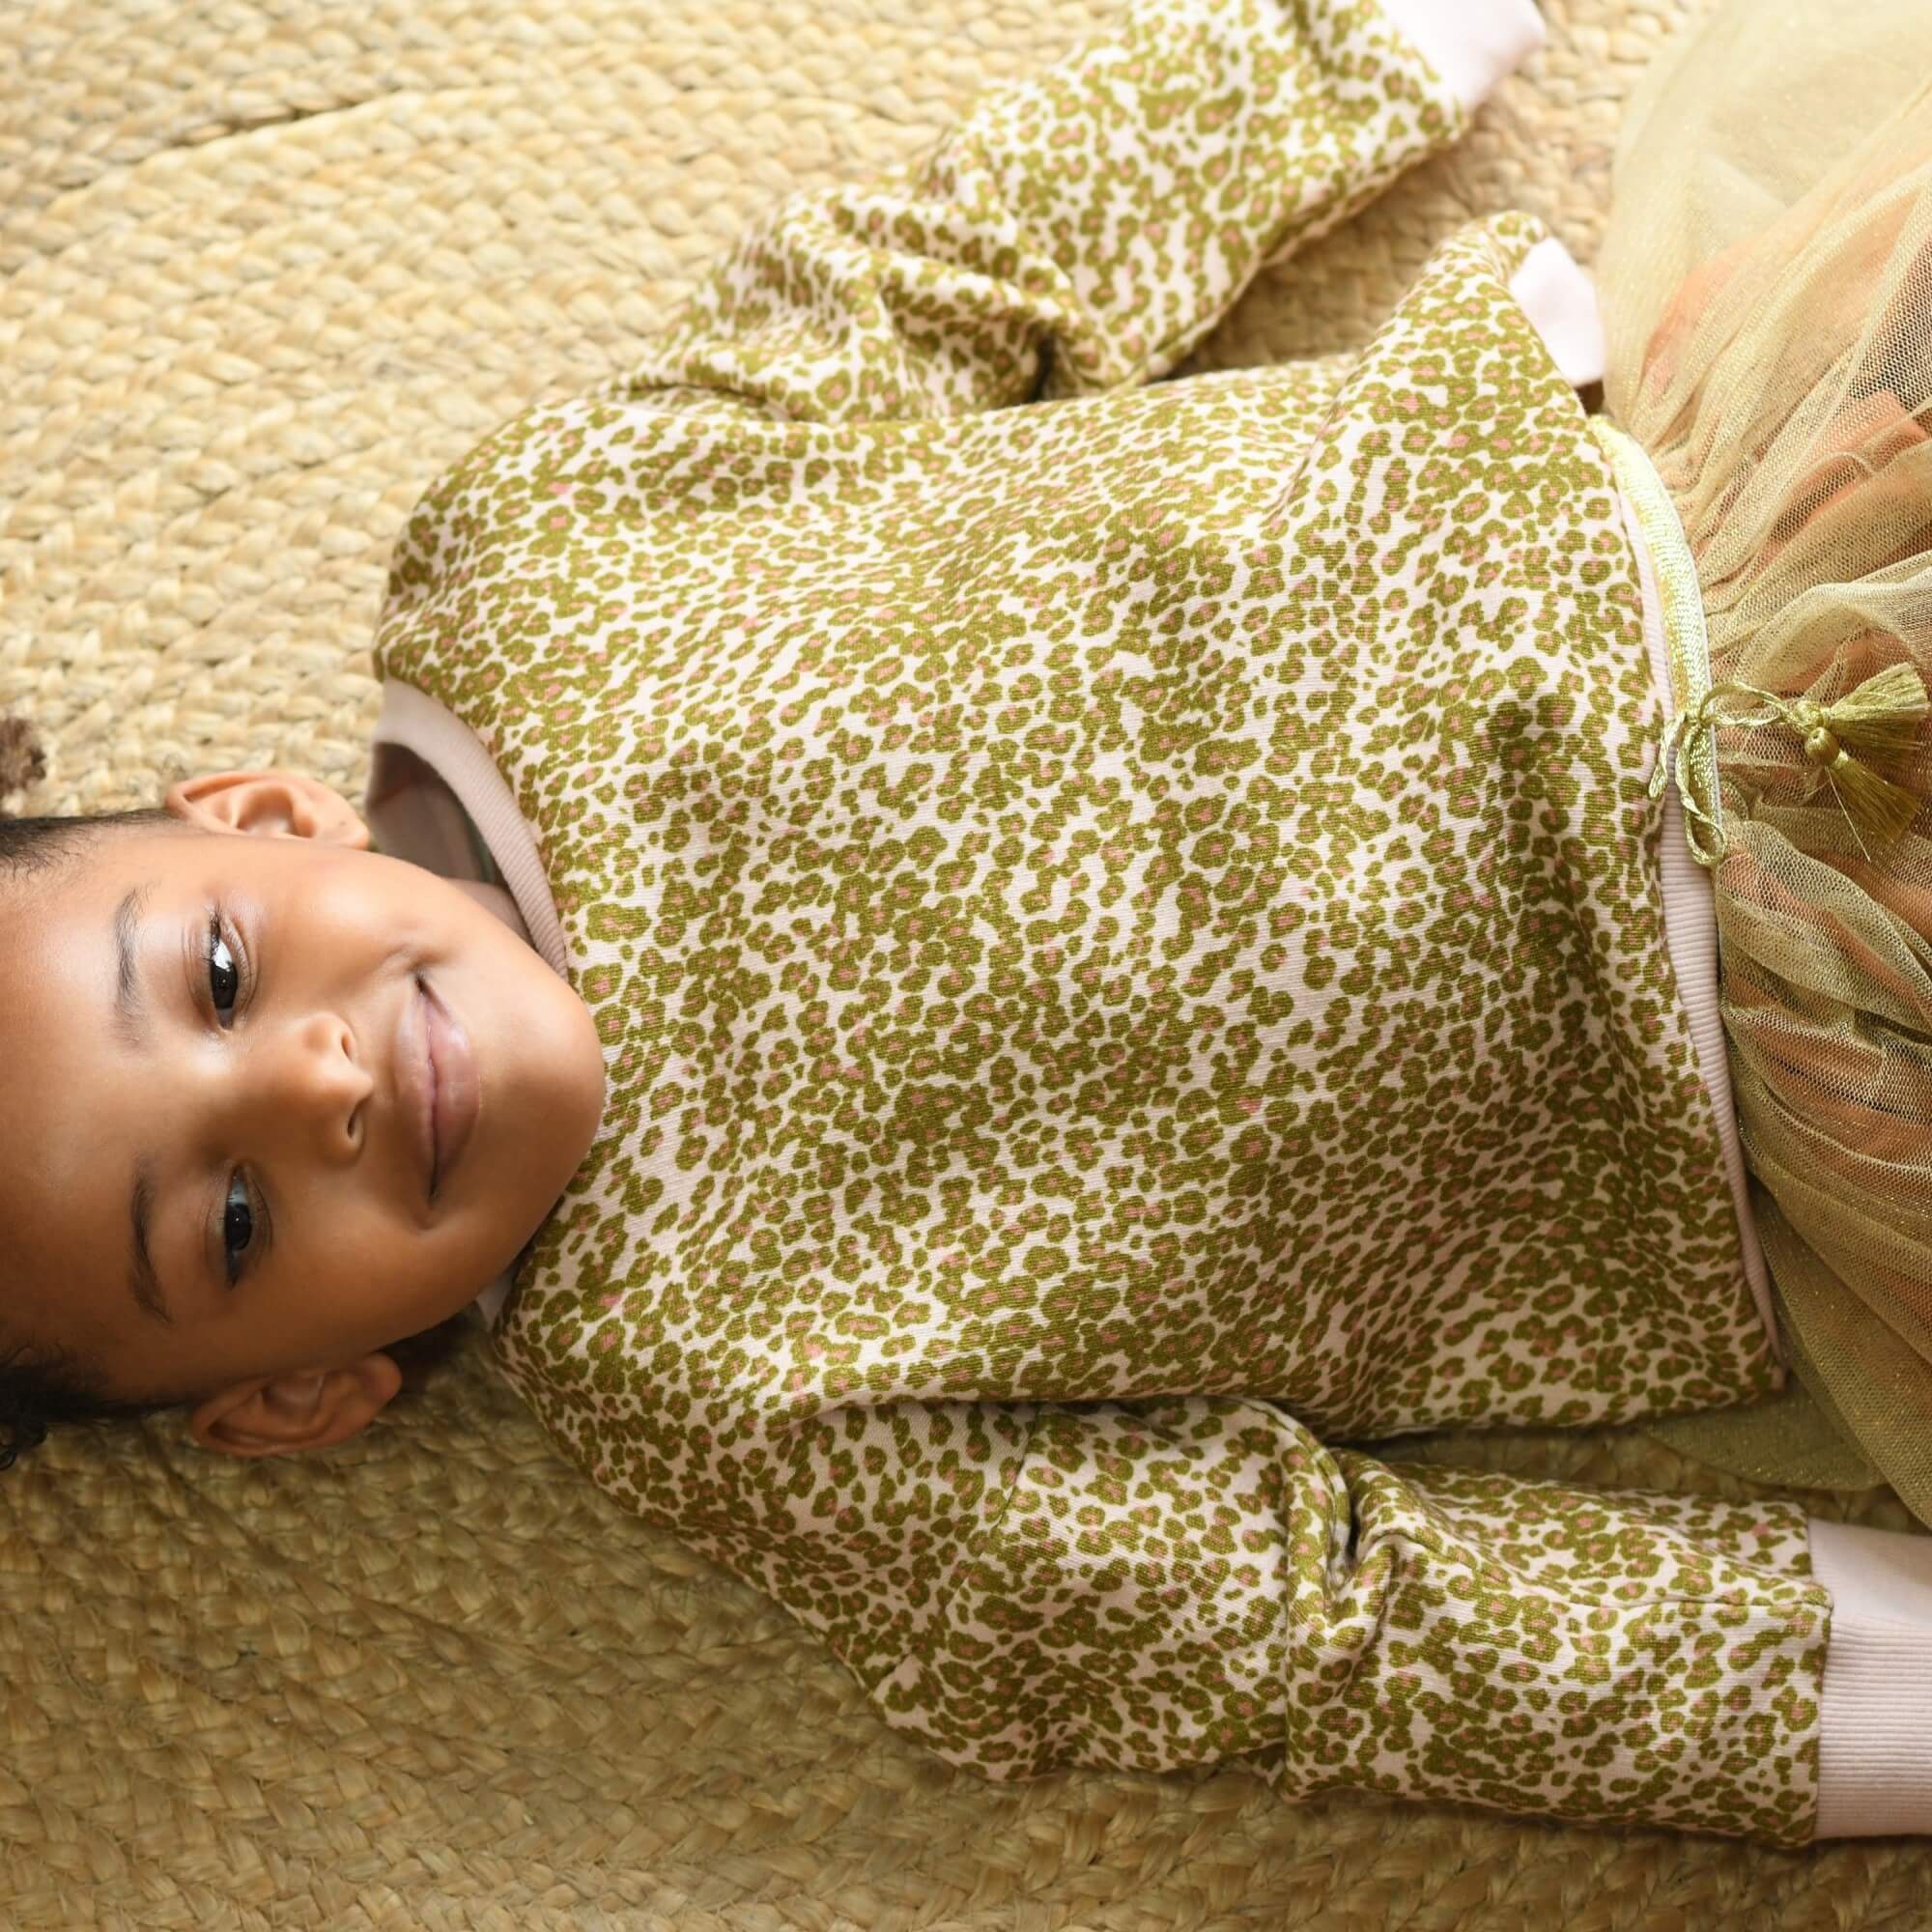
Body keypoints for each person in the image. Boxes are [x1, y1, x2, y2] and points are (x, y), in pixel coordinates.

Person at [6, 0, 1932, 1842]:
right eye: (234, 1222)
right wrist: (1848, 1691)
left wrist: (1349, 47)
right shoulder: (711, 1390)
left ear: (259, 815)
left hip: (1726, 520)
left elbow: (942, 273)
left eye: (219, 976)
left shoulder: (537, 559)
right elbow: (1287, 1614)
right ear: (299, 1394)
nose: (316, 1083)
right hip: (1784, 1054)